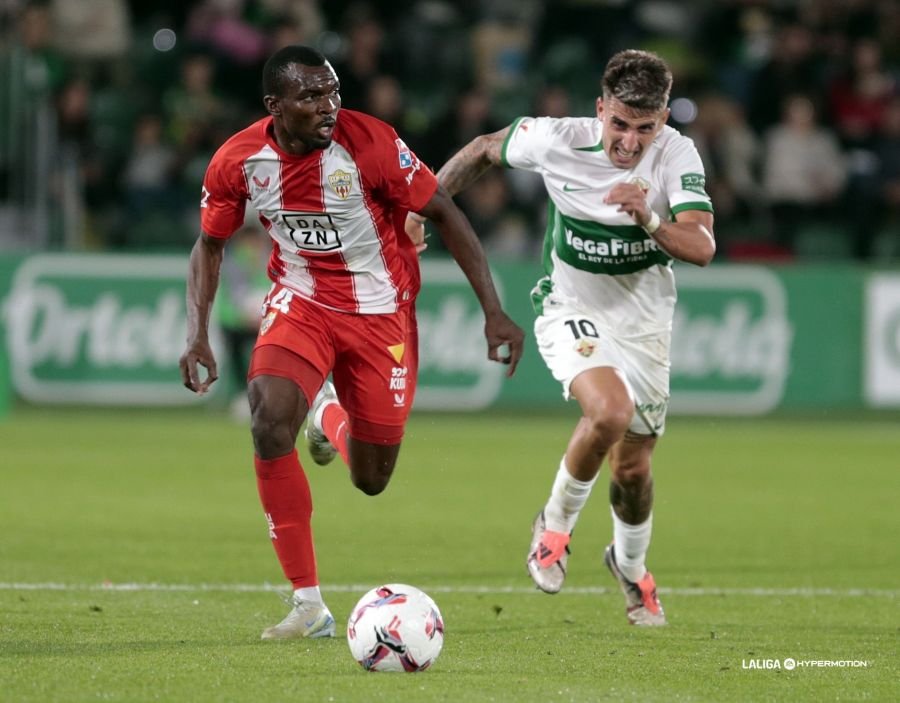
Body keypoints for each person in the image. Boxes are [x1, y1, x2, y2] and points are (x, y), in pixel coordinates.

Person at [179, 45, 524, 640]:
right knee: (266, 420)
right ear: (275, 105)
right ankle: (308, 604)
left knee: (370, 478)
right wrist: (198, 335)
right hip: (301, 303)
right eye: (311, 96)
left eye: (333, 92)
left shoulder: (370, 143)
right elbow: (209, 245)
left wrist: (494, 311)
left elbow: (443, 211)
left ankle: (330, 416)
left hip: (381, 315)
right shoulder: (238, 161)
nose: (328, 107)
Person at [409, 49, 714, 626]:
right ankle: (553, 527)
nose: (628, 141)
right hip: (569, 303)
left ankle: (630, 565)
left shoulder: (677, 155)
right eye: (618, 123)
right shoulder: (555, 139)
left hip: (645, 322)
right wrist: (422, 209)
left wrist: (649, 217)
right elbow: (481, 149)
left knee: (634, 469)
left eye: (644, 128)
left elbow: (702, 247)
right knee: (609, 411)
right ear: (600, 109)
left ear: (664, 119)